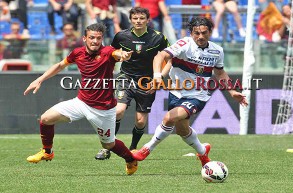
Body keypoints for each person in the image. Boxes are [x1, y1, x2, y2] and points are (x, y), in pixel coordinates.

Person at [24, 23, 138, 175]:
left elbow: (117, 54)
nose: (95, 41)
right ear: (85, 38)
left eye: (98, 38)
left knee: (109, 144)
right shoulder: (77, 53)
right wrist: (40, 79)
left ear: (102, 39)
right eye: (91, 38)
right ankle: (47, 152)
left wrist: (123, 55)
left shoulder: (108, 52)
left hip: (102, 109)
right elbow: (59, 65)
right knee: (45, 119)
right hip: (81, 102)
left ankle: (131, 159)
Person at [132, 17, 248, 166]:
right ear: (191, 33)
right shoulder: (184, 44)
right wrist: (157, 76)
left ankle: (146, 149)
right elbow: (160, 56)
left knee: (169, 118)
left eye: (204, 33)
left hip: (197, 95)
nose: (200, 37)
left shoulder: (217, 51)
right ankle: (202, 152)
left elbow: (219, 73)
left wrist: (232, 92)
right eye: (196, 33)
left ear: (210, 32)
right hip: (176, 92)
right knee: (182, 130)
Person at [94, 7, 171, 160]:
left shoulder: (158, 37)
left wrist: (159, 78)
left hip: (147, 81)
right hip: (126, 77)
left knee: (141, 121)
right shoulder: (122, 36)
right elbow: (110, 54)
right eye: (135, 18)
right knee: (118, 111)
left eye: (142, 18)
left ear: (148, 20)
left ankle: (133, 147)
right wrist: (120, 55)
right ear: (130, 20)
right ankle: (107, 147)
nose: (138, 21)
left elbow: (169, 59)